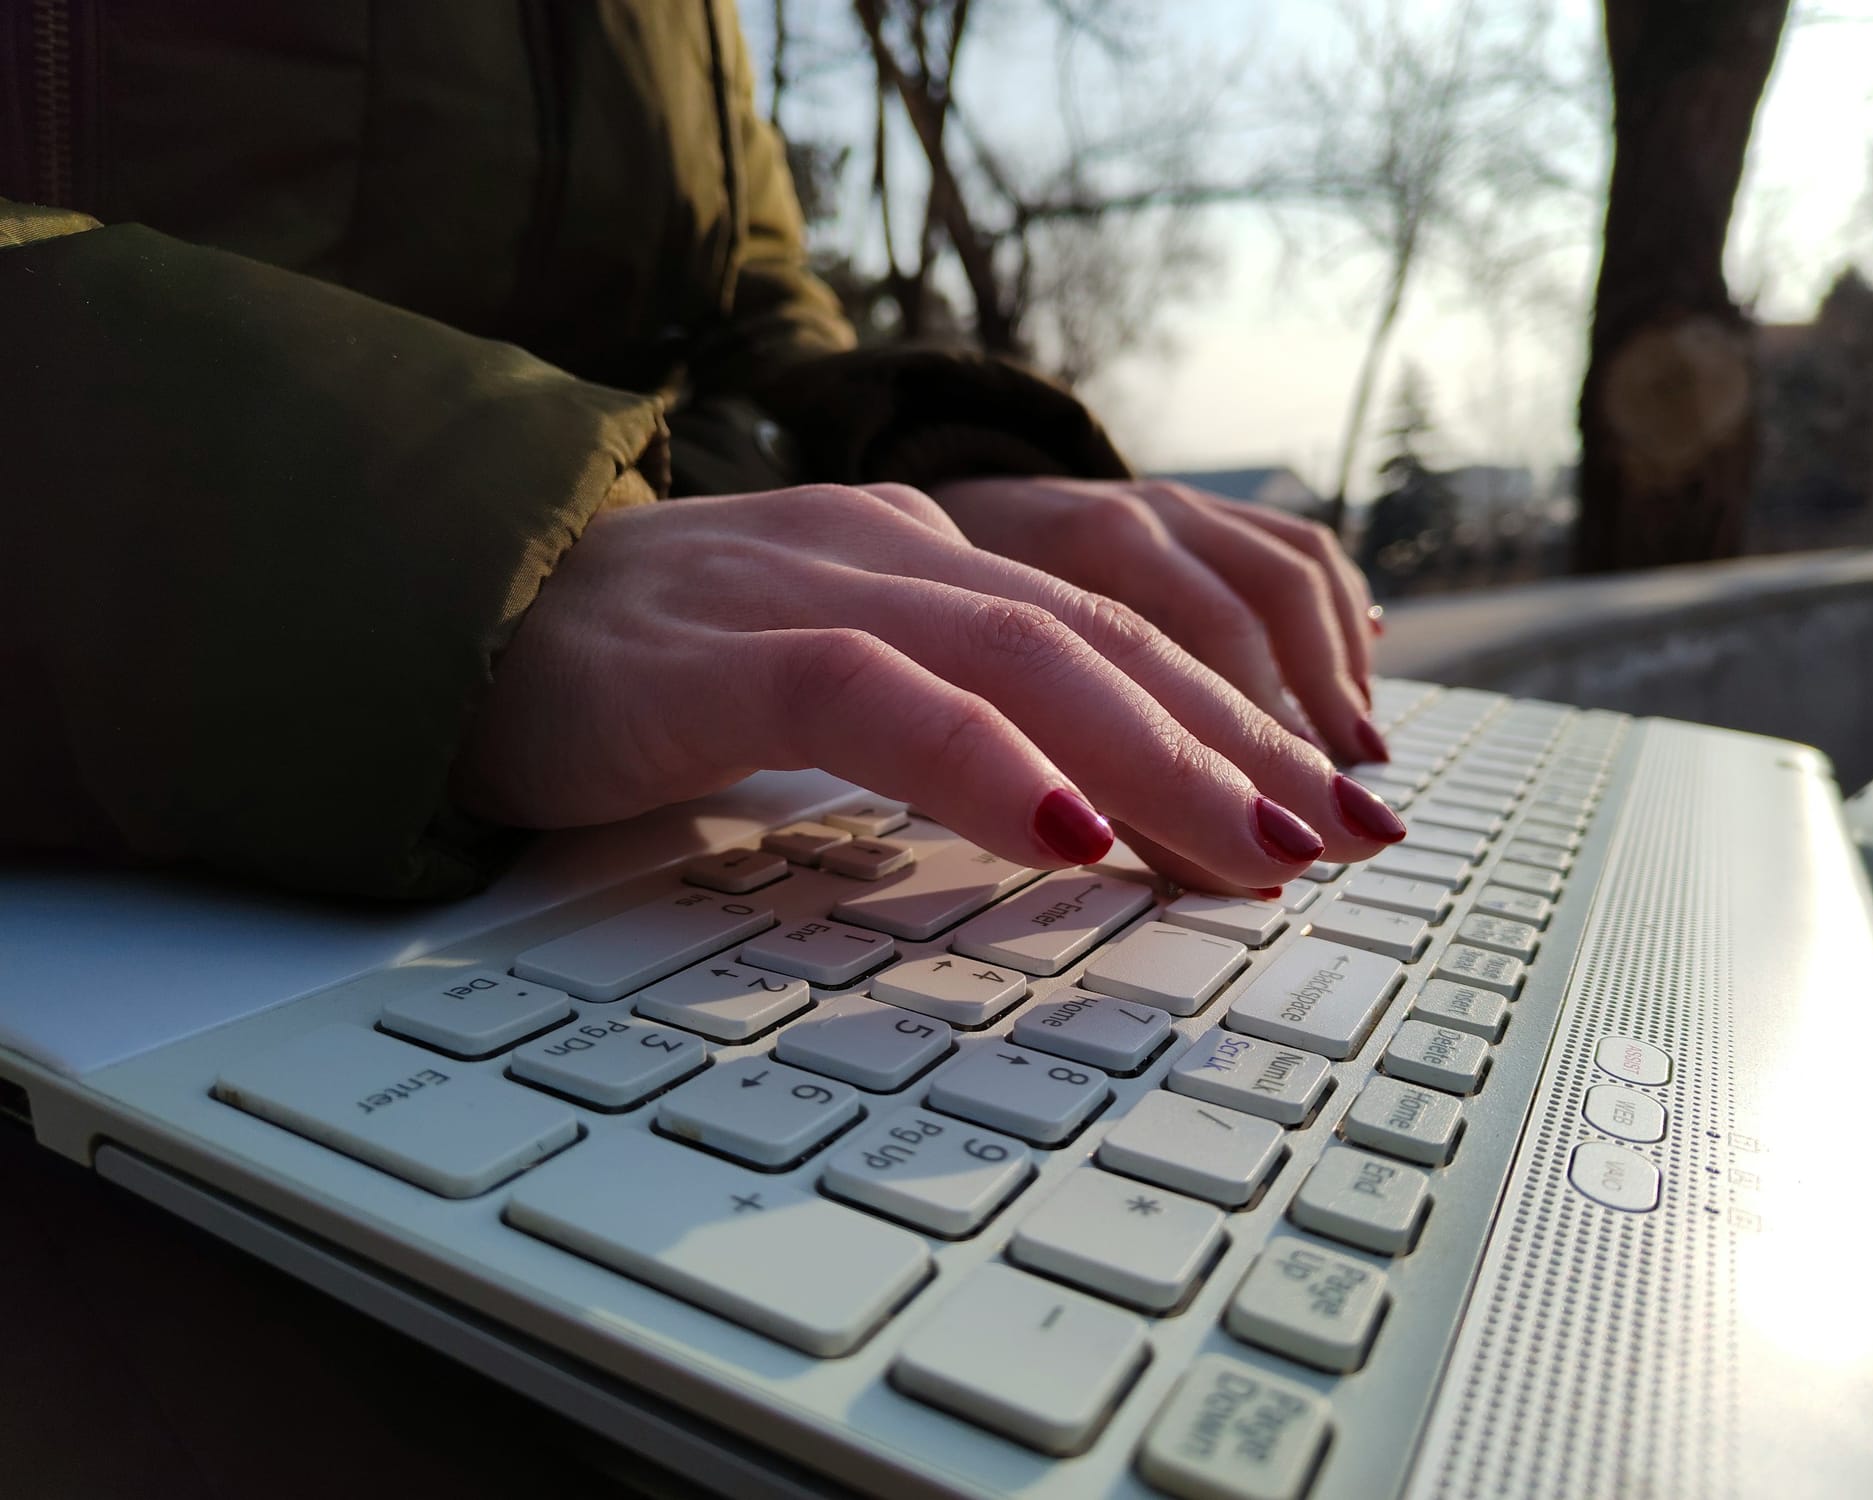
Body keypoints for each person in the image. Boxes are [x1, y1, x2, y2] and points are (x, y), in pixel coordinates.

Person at [0, 1, 1404, 902]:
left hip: (614, 819)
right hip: (135, 857)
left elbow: (743, 294)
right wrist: (473, 566)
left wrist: (925, 470)